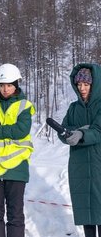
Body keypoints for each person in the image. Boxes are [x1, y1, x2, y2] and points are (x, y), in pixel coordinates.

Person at [0, 63, 35, 237]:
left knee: (15, 213)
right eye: (2, 85)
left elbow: (21, 130)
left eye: (9, 85)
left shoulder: (24, 105)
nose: (5, 89)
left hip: (16, 167)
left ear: (16, 85)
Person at [58, 64, 101, 237]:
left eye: (86, 84)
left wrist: (81, 133)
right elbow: (63, 130)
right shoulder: (73, 108)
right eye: (79, 85)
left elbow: (98, 131)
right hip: (79, 165)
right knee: (86, 215)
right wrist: (67, 135)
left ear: (94, 84)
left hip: (98, 165)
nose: (82, 88)